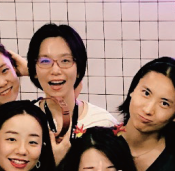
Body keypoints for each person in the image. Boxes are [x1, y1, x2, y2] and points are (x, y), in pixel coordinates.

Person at [27, 23, 117, 153]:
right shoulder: (23, 120)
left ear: (78, 69)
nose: (55, 70)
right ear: (34, 70)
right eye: (45, 61)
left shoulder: (102, 122)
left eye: (65, 61)